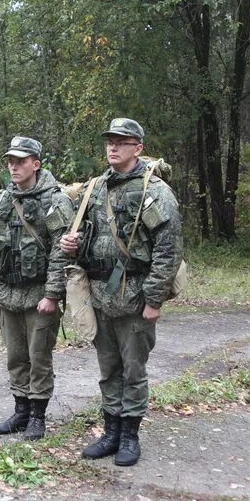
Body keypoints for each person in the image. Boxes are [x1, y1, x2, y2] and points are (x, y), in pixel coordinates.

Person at [59, 118, 182, 467]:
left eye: (122, 142)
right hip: (99, 295)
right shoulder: (96, 188)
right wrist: (73, 244)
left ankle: (130, 435)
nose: (113, 147)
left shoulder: (153, 191)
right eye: (110, 141)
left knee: (133, 370)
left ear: (138, 148)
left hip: (135, 297)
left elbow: (168, 249)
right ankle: (111, 431)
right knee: (108, 368)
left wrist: (154, 299)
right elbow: (84, 234)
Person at [0, 136, 74, 440]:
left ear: (36, 164)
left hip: (38, 293)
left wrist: (52, 294)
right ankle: (20, 411)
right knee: (16, 355)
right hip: (8, 291)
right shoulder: (2, 200)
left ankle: (37, 416)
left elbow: (62, 251)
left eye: (20, 161)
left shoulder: (55, 200)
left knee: (39, 357)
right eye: (10, 161)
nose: (14, 166)